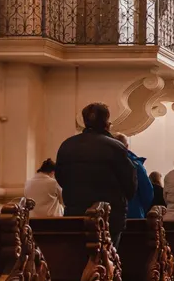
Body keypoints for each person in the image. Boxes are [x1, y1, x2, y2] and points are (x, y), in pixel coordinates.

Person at [55, 103, 136, 242]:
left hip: (76, 214)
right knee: (109, 253)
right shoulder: (115, 147)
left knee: (77, 253)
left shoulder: (67, 145)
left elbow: (61, 177)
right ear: (107, 123)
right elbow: (130, 185)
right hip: (109, 218)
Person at [114, 133, 155, 220]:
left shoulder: (105, 164)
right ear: (127, 146)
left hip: (112, 214)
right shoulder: (136, 164)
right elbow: (147, 191)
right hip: (134, 213)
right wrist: (141, 209)